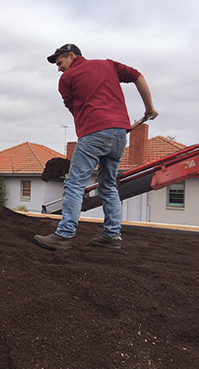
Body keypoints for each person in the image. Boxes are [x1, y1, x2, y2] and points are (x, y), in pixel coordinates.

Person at [33, 44, 158, 251]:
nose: (58, 68)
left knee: (74, 184)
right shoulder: (109, 65)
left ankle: (64, 235)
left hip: (93, 133)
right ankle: (112, 236)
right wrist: (149, 108)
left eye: (60, 62)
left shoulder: (66, 79)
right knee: (108, 185)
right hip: (118, 134)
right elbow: (138, 76)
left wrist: (93, 126)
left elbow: (73, 108)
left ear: (71, 56)